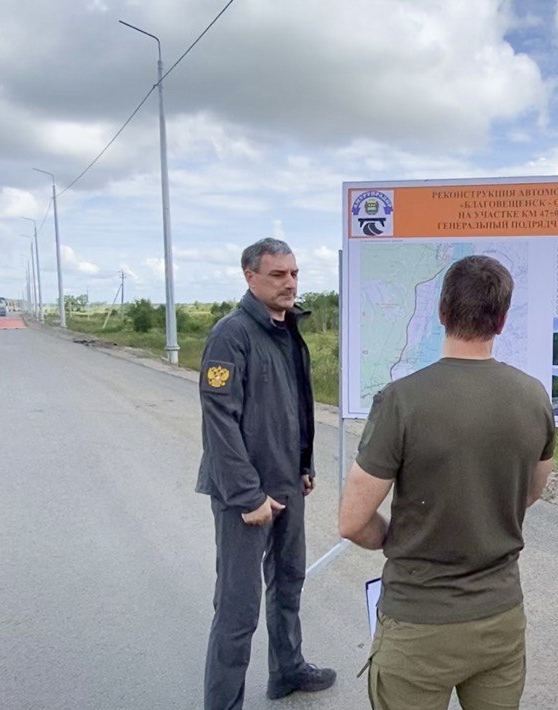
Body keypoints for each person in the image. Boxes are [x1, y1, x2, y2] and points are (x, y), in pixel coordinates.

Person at [338, 255, 555, 710]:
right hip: (500, 617)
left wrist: (399, 537)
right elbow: (530, 492)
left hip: (418, 626)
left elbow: (353, 521)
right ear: (502, 320)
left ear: (441, 313)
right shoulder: (534, 396)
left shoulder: (401, 400)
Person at [196, 238, 335, 709]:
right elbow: (220, 421)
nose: (290, 283)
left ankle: (288, 671)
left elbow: (295, 407)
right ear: (250, 277)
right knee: (238, 608)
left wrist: (303, 464)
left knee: (289, 581)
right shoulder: (230, 335)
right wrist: (248, 496)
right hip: (245, 498)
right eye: (278, 275)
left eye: (294, 273)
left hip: (286, 483)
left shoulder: (288, 330)